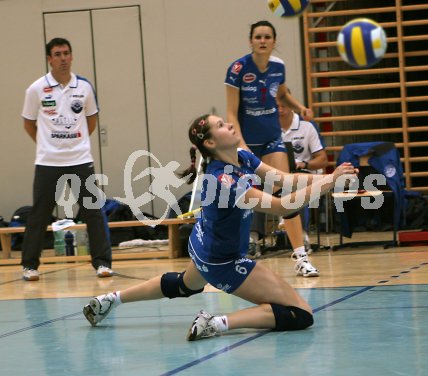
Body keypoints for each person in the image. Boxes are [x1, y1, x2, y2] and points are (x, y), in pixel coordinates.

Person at [82, 114, 357, 340]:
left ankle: (111, 299)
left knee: (182, 285)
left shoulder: (241, 157)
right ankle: (216, 323)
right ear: (211, 141)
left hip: (204, 246)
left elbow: (284, 180)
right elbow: (283, 206)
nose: (229, 124)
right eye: (221, 125)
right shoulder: (224, 181)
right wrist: (330, 182)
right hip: (223, 259)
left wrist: (323, 178)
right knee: (301, 313)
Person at [224, 20, 318, 276]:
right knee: (240, 199)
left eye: (267, 37)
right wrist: (240, 146)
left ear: (274, 42)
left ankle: (301, 257)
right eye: (258, 37)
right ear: (251, 41)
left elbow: (283, 94)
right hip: (246, 143)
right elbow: (231, 113)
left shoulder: (278, 66)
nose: (262, 41)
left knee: (284, 190)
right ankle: (231, 257)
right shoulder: (238, 69)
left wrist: (300, 109)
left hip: (272, 139)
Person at [21, 37, 113, 281]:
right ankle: (29, 266)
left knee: (92, 211)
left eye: (66, 53)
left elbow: (91, 120)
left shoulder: (84, 87)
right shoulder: (36, 89)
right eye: (57, 54)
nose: (63, 58)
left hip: (80, 159)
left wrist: (76, 143)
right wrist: (47, 144)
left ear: (72, 56)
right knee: (39, 214)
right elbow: (29, 123)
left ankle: (102, 263)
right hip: (47, 161)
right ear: (49, 59)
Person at [278, 94, 328, 254]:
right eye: (276, 106)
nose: (279, 109)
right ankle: (253, 238)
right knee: (252, 188)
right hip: (276, 175)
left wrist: (305, 163)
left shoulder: (307, 126)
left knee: (297, 186)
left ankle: (302, 235)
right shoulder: (268, 128)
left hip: (302, 173)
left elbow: (322, 159)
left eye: (283, 105)